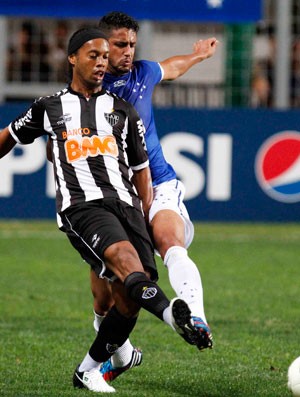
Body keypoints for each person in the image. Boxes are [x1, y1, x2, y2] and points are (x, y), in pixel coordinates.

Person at [0, 27, 208, 394]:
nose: (101, 63)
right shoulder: (48, 107)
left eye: (103, 57)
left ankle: (88, 369)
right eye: (93, 56)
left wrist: (143, 216)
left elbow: (142, 172)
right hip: (83, 207)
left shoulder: (122, 111)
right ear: (73, 59)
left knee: (127, 297)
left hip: (126, 205)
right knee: (126, 264)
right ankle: (175, 317)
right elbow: (7, 138)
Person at [84, 12, 217, 381]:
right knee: (105, 298)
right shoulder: (88, 92)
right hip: (114, 196)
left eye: (132, 45)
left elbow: (171, 67)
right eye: (120, 45)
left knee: (170, 241)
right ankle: (122, 354)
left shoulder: (142, 74)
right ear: (100, 47)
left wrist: (199, 57)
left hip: (158, 183)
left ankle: (195, 316)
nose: (128, 52)